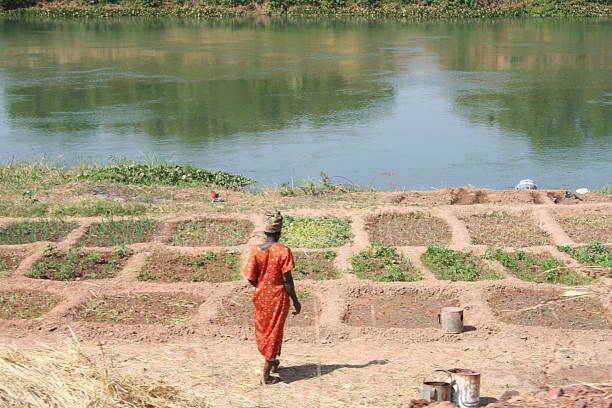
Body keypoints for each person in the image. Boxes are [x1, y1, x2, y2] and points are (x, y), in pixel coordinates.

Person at [242, 211, 301, 385]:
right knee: (274, 332)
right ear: (279, 232)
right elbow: (287, 280)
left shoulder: (256, 251)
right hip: (278, 298)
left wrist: (262, 286)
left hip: (260, 297)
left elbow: (251, 277)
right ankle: (266, 376)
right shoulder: (283, 251)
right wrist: (295, 301)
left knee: (264, 330)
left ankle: (272, 361)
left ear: (265, 232)